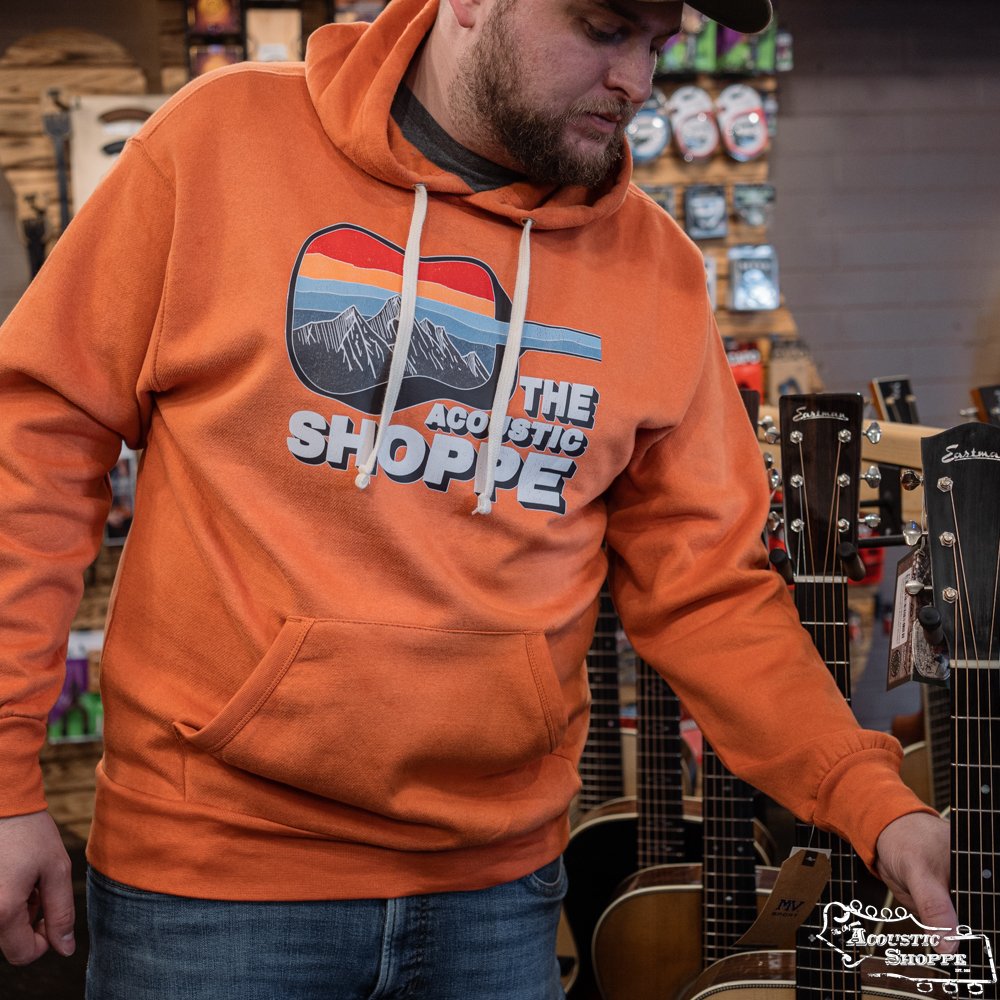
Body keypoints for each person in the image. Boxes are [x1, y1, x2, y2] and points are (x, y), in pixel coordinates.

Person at [0, 0, 955, 995]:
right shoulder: (217, 144)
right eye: (600, 28)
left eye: (656, 44)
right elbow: (33, 449)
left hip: (495, 895)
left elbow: (707, 591)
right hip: (211, 884)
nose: (636, 77)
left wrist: (870, 799)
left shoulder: (658, 270)